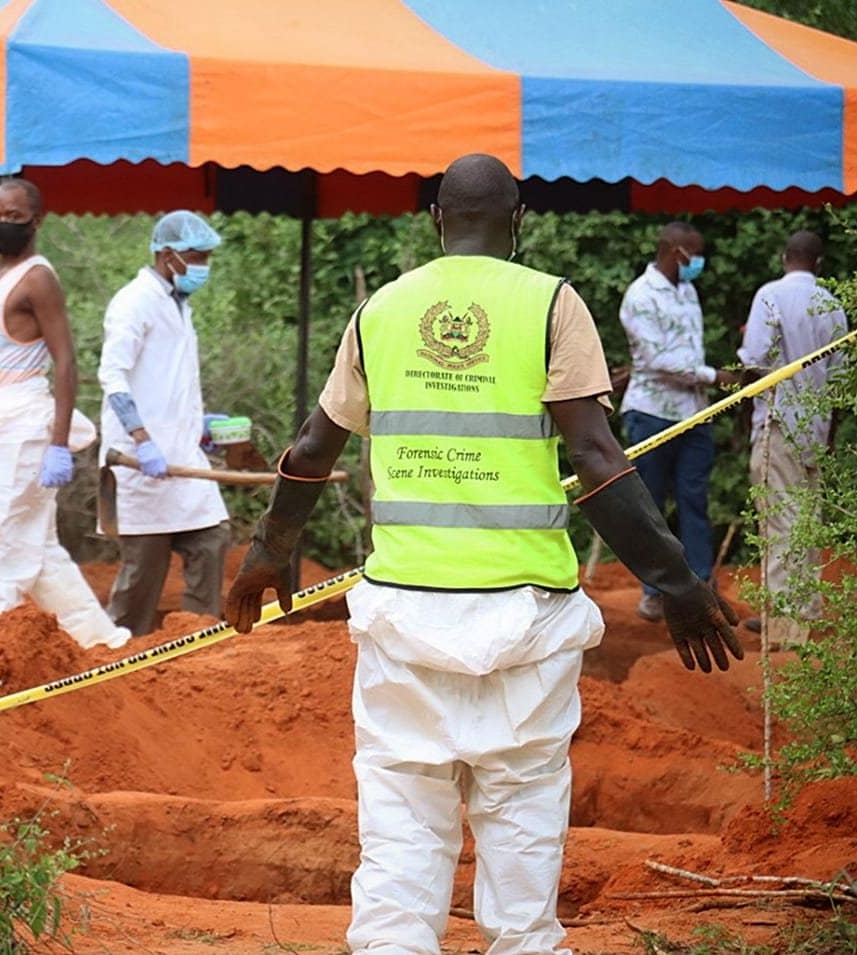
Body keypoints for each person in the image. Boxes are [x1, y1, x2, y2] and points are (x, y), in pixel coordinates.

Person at [225, 154, 742, 955]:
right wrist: (674, 580)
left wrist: (266, 553)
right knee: (522, 821)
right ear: (519, 219)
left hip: (405, 614)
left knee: (400, 826)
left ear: (435, 219)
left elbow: (310, 445)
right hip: (523, 621)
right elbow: (600, 462)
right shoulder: (549, 305)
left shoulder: (381, 311)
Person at [0, 178, 130, 651]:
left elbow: (66, 362)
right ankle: (98, 640)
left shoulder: (37, 278)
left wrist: (57, 445)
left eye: (13, 217)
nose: (1, 224)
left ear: (36, 221)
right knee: (36, 548)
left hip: (17, 431)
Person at [97, 211, 232, 636]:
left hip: (182, 458)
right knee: (142, 575)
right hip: (141, 462)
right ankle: (118, 650)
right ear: (168, 254)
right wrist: (143, 439)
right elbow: (113, 375)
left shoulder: (179, 305)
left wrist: (198, 424)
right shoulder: (133, 302)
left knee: (212, 539)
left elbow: (170, 382)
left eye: (207, 257)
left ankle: (196, 637)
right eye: (196, 256)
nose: (202, 266)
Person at [618, 221, 739, 621]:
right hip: (651, 414)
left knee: (694, 500)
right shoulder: (639, 296)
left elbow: (687, 350)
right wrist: (713, 376)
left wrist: (707, 380)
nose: (698, 262)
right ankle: (654, 591)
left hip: (693, 414)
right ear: (674, 251)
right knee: (650, 506)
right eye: (694, 253)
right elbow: (657, 361)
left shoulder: (688, 291)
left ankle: (701, 585)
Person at [738, 230, 848, 647]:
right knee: (807, 521)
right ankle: (806, 611)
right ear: (818, 264)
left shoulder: (770, 295)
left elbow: (754, 362)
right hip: (816, 428)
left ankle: (786, 626)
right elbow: (840, 380)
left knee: (780, 522)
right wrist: (831, 433)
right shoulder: (832, 304)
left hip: (780, 424)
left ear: (785, 257)